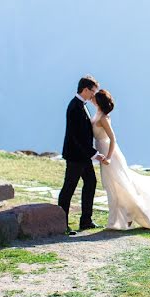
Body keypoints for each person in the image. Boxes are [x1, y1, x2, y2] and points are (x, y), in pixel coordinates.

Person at [92, 89, 150, 230]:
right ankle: (123, 218)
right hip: (102, 152)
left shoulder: (104, 118)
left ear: (99, 102)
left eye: (95, 97)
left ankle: (122, 220)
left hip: (109, 154)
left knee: (119, 186)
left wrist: (109, 157)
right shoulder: (97, 114)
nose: (92, 98)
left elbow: (113, 139)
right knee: (112, 186)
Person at [57, 75, 107, 233]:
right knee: (69, 188)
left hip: (82, 156)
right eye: (93, 91)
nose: (94, 95)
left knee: (91, 182)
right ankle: (61, 224)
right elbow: (76, 136)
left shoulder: (80, 105)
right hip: (76, 156)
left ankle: (86, 220)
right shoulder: (75, 107)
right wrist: (94, 154)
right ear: (85, 89)